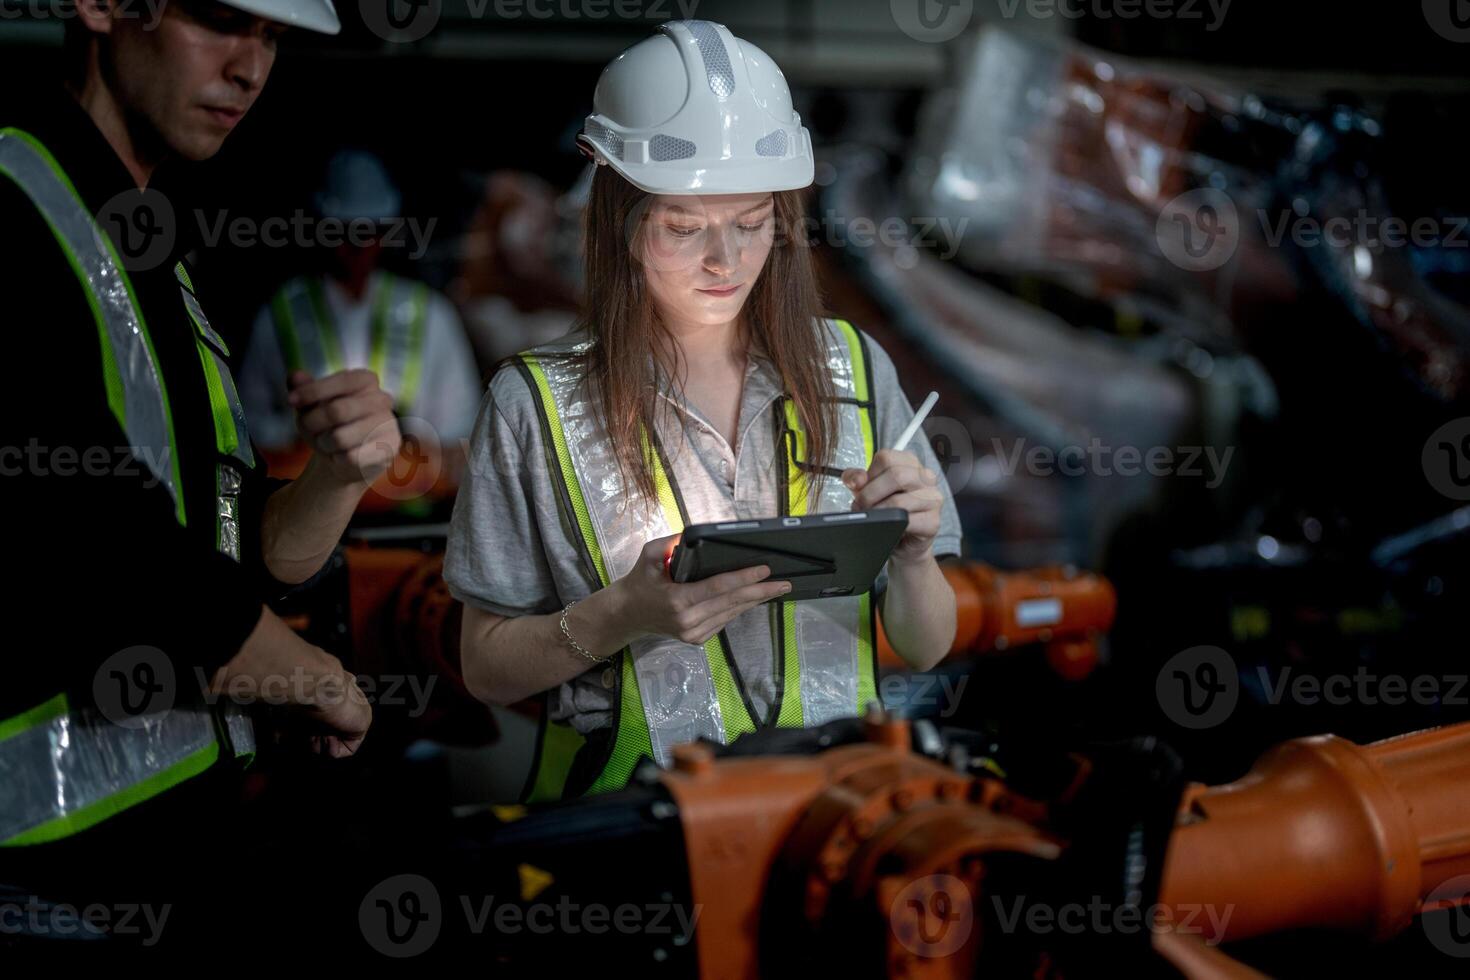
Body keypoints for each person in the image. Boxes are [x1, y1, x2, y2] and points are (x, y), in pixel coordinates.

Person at [445, 20, 963, 801]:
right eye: (683, 228)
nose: (725, 261)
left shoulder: (851, 369)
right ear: (617, 221)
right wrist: (620, 614)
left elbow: (926, 648)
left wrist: (915, 557)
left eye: (753, 225)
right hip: (631, 835)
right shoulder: (534, 404)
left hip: (830, 820)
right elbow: (483, 667)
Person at [0, 0, 397, 954]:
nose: (250, 67)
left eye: (272, 38)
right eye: (222, 20)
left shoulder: (148, 238)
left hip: (165, 843)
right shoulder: (14, 200)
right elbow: (98, 534)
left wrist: (340, 475)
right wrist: (313, 677)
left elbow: (231, 544)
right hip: (39, 863)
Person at [240, 148, 483, 453]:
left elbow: (461, 428)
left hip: (404, 496)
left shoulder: (431, 314)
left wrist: (412, 438)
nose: (358, 246)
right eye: (345, 231)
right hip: (312, 491)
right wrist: (299, 431)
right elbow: (248, 424)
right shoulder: (279, 315)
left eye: (369, 231)